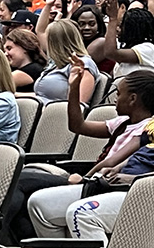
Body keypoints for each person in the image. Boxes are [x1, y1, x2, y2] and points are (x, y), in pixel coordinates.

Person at [25, 68, 154, 241]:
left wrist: (132, 180)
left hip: (137, 190)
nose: (115, 98)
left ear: (132, 99)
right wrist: (74, 89)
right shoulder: (142, 128)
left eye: (118, 93)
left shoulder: (145, 125)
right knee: (38, 203)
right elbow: (79, 127)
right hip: (105, 180)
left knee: (79, 213)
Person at [35, 15, 98, 104]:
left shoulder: (83, 64)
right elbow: (41, 96)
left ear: (55, 42)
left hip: (58, 115)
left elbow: (80, 104)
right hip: (40, 111)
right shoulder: (56, 63)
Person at [104, 0, 154, 80]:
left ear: (134, 30)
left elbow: (110, 52)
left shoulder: (148, 49)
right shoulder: (125, 46)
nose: (118, 30)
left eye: (122, 26)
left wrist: (113, 19)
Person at [69, 4, 111, 72]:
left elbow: (78, 64)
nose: (87, 28)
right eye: (81, 24)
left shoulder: (101, 42)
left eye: (91, 24)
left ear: (99, 25)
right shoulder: (76, 43)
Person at [4, 29, 46, 94]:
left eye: (9, 48)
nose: (5, 54)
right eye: (5, 50)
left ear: (24, 47)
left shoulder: (33, 69)